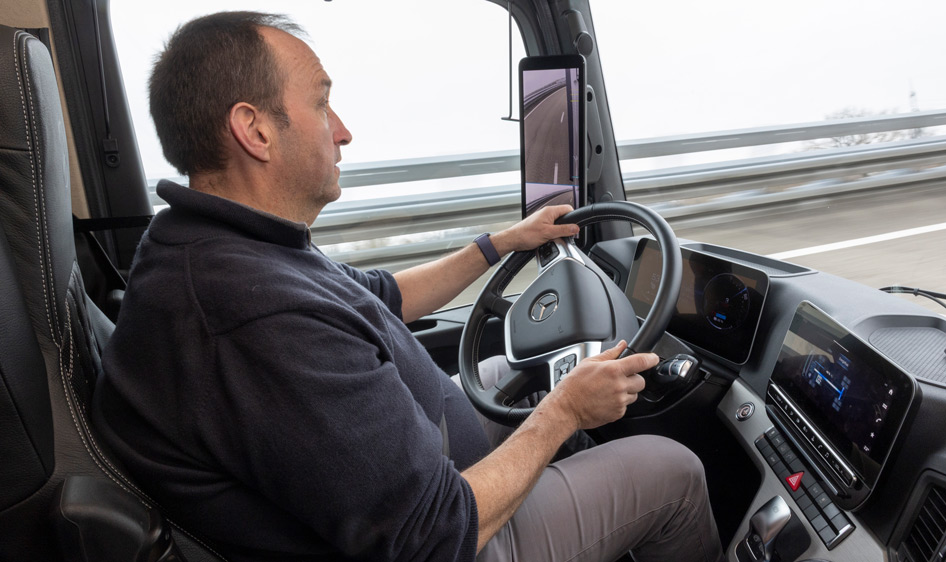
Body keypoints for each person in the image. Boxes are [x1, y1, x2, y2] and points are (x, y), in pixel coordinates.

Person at [93, 11, 726, 562]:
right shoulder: (252, 316)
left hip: (423, 479)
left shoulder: (225, 246)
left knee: (512, 370)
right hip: (457, 538)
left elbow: (379, 295)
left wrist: (500, 244)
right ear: (254, 130)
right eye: (321, 103)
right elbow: (432, 536)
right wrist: (564, 412)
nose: (342, 131)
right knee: (670, 469)